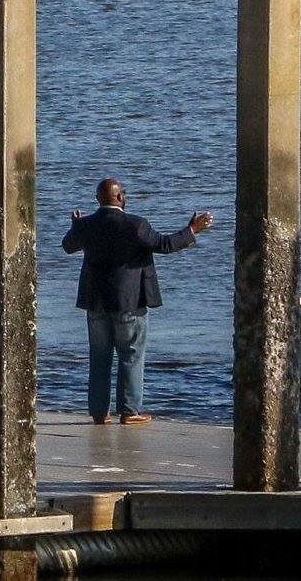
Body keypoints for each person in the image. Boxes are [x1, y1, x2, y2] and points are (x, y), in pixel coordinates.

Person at [62, 178, 213, 425]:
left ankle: (99, 413)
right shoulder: (136, 225)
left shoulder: (86, 224)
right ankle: (129, 411)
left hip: (95, 300)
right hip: (129, 301)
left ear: (98, 199)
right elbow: (164, 245)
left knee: (99, 356)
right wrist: (192, 230)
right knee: (131, 353)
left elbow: (68, 246)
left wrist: (75, 227)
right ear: (120, 197)